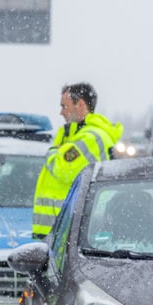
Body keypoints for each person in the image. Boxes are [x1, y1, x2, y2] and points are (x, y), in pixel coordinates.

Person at [32, 82, 123, 239]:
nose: (61, 112)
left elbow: (61, 168)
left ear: (80, 105)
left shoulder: (90, 137)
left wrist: (54, 149)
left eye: (64, 106)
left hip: (70, 231)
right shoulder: (78, 136)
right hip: (63, 230)